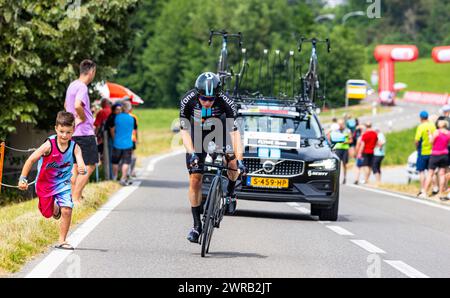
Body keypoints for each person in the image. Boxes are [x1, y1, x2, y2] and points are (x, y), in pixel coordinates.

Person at [179, 72, 247, 243]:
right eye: (203, 98)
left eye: (211, 99)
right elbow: (184, 130)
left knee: (231, 161)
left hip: (221, 131)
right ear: (197, 94)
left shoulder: (226, 101)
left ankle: (231, 192)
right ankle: (196, 226)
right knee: (195, 178)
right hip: (197, 133)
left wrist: (239, 160)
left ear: (217, 95)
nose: (207, 102)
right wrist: (192, 153)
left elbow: (234, 132)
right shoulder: (188, 100)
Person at [18, 112, 87, 250]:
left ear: (73, 130)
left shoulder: (75, 147)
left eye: (68, 132)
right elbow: (31, 159)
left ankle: (62, 240)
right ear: (56, 128)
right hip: (45, 185)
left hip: (63, 184)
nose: (64, 135)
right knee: (47, 213)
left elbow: (80, 161)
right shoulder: (49, 144)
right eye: (61, 131)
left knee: (67, 209)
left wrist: (81, 167)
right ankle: (55, 208)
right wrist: (22, 179)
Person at [64, 59, 98, 204]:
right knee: (90, 165)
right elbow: (78, 105)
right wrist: (82, 119)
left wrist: (72, 122)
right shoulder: (83, 87)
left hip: (73, 133)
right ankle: (76, 198)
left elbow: (67, 105)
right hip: (84, 132)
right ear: (91, 72)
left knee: (75, 166)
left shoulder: (72, 85)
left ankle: (73, 195)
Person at [422, 120, 450, 201]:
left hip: (435, 154)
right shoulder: (448, 133)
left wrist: (430, 135)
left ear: (439, 125)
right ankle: (440, 193)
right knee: (442, 174)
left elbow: (431, 142)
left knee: (430, 173)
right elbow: (448, 143)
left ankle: (424, 192)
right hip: (444, 155)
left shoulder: (436, 132)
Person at [110, 101, 137, 186]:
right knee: (126, 162)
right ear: (129, 109)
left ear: (122, 108)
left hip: (117, 143)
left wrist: (114, 138)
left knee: (115, 162)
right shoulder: (132, 119)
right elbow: (133, 130)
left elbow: (113, 129)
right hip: (128, 144)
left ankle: (114, 177)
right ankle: (123, 178)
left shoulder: (117, 117)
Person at [415, 111, 436, 198]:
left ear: (421, 118)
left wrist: (416, 147)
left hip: (423, 151)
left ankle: (423, 189)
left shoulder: (421, 126)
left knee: (421, 171)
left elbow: (417, 140)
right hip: (432, 151)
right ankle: (435, 187)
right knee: (432, 171)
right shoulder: (432, 125)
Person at [329, 119, 353, 184]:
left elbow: (351, 140)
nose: (340, 125)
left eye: (341, 124)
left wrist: (345, 142)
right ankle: (336, 178)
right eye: (339, 124)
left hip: (345, 149)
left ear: (343, 124)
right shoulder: (336, 131)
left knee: (344, 164)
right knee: (337, 164)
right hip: (338, 149)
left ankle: (344, 177)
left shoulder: (348, 131)